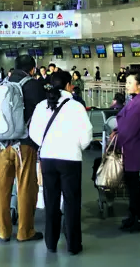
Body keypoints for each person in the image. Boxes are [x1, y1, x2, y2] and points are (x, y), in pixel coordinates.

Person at [29, 70, 92, 255]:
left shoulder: (42, 106)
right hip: (70, 159)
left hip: (48, 159)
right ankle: (73, 245)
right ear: (68, 85)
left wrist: (47, 145)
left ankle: (51, 242)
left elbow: (33, 133)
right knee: (71, 202)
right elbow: (86, 135)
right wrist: (76, 146)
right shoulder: (76, 106)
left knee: (51, 201)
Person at [0, 55, 47, 243]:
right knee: (25, 187)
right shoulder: (34, 85)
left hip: (1, 145)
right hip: (24, 144)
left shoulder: (2, 83)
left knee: (3, 189)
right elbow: (44, 112)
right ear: (32, 69)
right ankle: (25, 232)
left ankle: (3, 231)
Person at [115, 70, 140, 233]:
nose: (127, 85)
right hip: (131, 147)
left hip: (133, 148)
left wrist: (117, 141)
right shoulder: (136, 100)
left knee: (134, 186)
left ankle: (138, 218)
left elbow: (129, 129)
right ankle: (133, 215)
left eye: (130, 82)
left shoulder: (139, 104)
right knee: (132, 185)